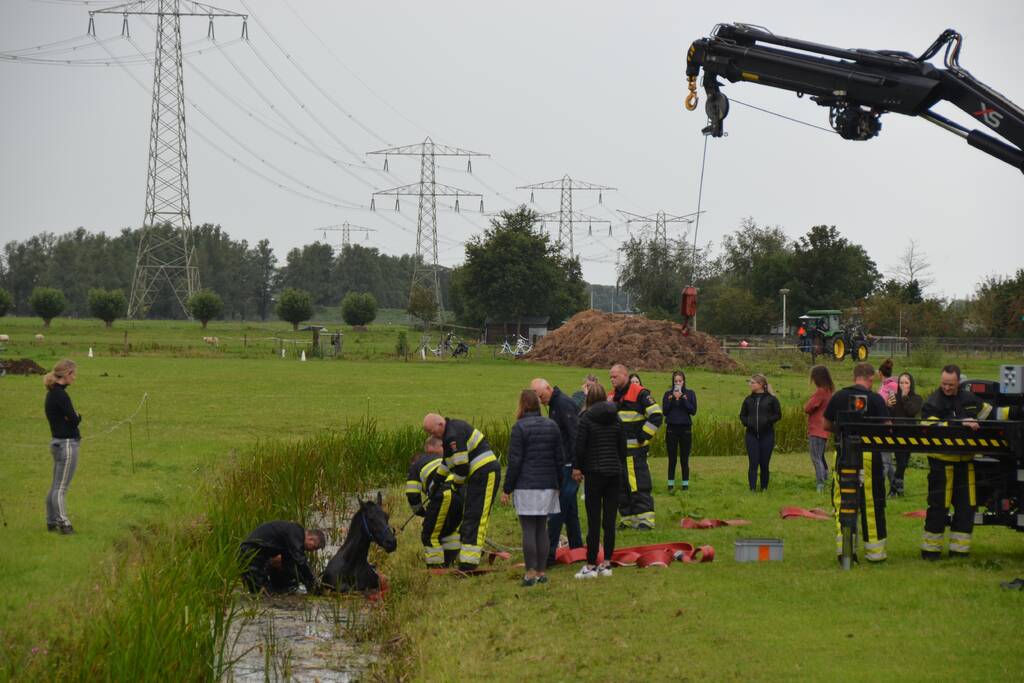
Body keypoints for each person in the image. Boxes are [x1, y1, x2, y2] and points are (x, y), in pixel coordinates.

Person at [919, 365, 994, 560]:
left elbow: (990, 414)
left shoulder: (969, 399)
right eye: (944, 383)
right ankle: (930, 552)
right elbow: (929, 427)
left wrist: (1014, 412)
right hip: (941, 464)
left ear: (958, 382)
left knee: (966, 506)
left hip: (965, 463)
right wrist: (960, 423)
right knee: (938, 507)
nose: (947, 387)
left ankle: (959, 553)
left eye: (951, 384)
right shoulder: (932, 402)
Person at [823, 362, 890, 563]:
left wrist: (844, 433)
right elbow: (887, 428)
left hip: (844, 453)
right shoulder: (876, 399)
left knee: (843, 501)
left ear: (854, 377)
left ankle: (845, 551)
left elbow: (826, 425)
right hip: (870, 455)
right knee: (871, 503)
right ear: (871, 378)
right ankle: (875, 553)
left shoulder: (839, 397)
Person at [500, 390, 564, 586]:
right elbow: (559, 458)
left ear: (522, 405)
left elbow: (515, 460)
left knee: (528, 528)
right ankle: (542, 572)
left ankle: (530, 572)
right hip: (548, 483)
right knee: (541, 528)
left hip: (526, 484)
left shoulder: (519, 428)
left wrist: (507, 488)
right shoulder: (552, 425)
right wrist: (559, 483)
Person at [422, 413, 501, 571]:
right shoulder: (450, 433)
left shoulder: (452, 435)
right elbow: (447, 463)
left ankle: (469, 563)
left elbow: (462, 468)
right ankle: (467, 561)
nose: (432, 435)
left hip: (485, 473)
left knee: (476, 516)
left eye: (432, 431)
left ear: (440, 424)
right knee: (470, 515)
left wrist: (454, 486)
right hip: (478, 475)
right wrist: (436, 483)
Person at [572, 382, 626, 579]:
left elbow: (580, 447)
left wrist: (578, 467)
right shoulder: (616, 417)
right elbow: (622, 446)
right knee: (609, 520)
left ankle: (591, 564)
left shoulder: (586, 418)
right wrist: (619, 466)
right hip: (614, 472)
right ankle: (607, 563)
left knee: (594, 520)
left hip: (594, 473)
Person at [530, 378, 583, 568]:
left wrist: (577, 466)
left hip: (569, 465)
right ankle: (577, 548)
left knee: (557, 509)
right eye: (537, 398)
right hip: (565, 464)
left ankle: (548, 555)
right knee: (570, 511)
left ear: (548, 388)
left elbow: (575, 435)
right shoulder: (555, 404)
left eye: (541, 396)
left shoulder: (562, 404)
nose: (541, 400)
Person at [609, 364, 662, 529]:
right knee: (621, 487)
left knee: (639, 485)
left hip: (636, 451)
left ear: (625, 375)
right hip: (618, 452)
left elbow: (656, 415)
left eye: (615, 377)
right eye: (610, 377)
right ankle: (628, 518)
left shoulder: (640, 393)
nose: (612, 380)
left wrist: (643, 436)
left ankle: (645, 520)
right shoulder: (612, 397)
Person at [406, 436, 463, 567]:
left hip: (445, 494)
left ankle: (435, 568)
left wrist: (421, 512)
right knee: (449, 530)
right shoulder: (441, 459)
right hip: (461, 494)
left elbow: (412, 495)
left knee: (429, 534)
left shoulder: (415, 467)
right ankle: (451, 562)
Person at [44, 359, 81, 534]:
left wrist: (71, 417)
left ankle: (51, 521)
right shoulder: (61, 395)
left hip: (57, 442)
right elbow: (74, 418)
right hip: (66, 444)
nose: (75, 377)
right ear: (67, 374)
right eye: (74, 374)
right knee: (61, 487)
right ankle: (64, 524)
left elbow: (68, 417)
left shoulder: (52, 393)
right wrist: (76, 417)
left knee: (55, 485)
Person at [239, 521, 326, 595]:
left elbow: (289, 565)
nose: (312, 551)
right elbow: (300, 560)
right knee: (263, 594)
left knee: (271, 592)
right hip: (250, 554)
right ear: (311, 539)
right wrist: (312, 580)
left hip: (256, 556)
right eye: (314, 547)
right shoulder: (296, 532)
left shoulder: (291, 540)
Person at [739, 374, 782, 492]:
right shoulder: (748, 400)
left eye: (752, 382)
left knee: (764, 463)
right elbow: (742, 415)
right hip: (751, 435)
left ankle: (764, 488)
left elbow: (778, 414)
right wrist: (747, 422)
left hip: (767, 435)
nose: (750, 385)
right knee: (753, 462)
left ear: (761, 385)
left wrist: (767, 421)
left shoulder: (772, 400)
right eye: (750, 382)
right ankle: (752, 488)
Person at [887, 371, 922, 497]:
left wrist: (905, 398)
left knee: (904, 462)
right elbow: (889, 416)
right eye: (901, 382)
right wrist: (888, 406)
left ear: (911, 384)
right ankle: (895, 489)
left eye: (906, 383)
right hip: (897, 433)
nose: (903, 385)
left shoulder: (917, 398)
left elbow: (912, 411)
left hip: (911, 434)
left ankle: (896, 489)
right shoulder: (894, 397)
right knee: (901, 461)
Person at [662, 370, 697, 492]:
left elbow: (693, 411)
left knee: (684, 458)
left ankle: (685, 484)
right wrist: (672, 400)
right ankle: (670, 484)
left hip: (685, 429)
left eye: (680, 381)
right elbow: (665, 412)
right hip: (671, 429)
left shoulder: (690, 393)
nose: (678, 383)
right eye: (675, 381)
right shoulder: (667, 394)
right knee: (672, 459)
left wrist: (683, 398)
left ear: (684, 381)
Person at [803, 365, 834, 493]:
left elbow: (808, 408)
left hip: (816, 429)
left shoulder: (820, 391)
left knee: (815, 457)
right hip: (824, 430)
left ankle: (820, 484)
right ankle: (825, 478)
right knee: (820, 456)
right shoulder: (829, 391)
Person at [876, 359, 899, 489]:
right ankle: (895, 486)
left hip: (888, 424)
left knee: (884, 459)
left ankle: (879, 487)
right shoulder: (889, 385)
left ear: (880, 373)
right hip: (887, 424)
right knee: (888, 458)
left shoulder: (889, 387)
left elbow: (892, 404)